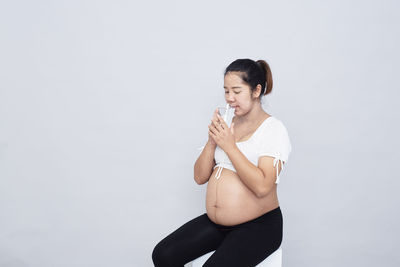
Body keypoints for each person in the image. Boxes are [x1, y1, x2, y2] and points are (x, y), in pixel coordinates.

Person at [152, 58, 292, 267]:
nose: (230, 98)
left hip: (260, 226)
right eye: (226, 91)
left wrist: (229, 146)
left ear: (256, 91)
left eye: (237, 91)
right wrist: (211, 142)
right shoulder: (227, 123)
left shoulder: (273, 130)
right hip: (219, 224)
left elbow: (263, 187)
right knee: (163, 255)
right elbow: (199, 177)